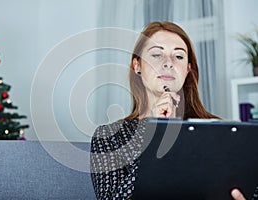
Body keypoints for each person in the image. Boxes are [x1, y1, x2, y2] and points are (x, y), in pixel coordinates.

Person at [90, 21, 248, 200]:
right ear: (137, 65)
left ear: (188, 69)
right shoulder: (109, 136)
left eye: (179, 57)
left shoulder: (221, 132)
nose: (168, 63)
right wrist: (159, 132)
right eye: (156, 55)